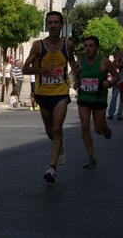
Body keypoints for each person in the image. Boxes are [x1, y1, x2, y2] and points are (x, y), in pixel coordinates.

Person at [22, 11, 81, 183]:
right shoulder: (38, 46)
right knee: (50, 130)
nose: (53, 26)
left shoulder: (67, 44)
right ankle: (59, 144)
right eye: (50, 23)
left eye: (56, 23)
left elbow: (71, 61)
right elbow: (25, 69)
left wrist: (76, 71)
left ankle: (52, 168)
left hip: (61, 92)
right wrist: (42, 70)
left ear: (62, 25)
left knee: (57, 128)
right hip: (43, 93)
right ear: (46, 26)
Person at [73, 36, 120, 168]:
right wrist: (76, 82)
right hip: (83, 98)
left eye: (91, 46)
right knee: (85, 125)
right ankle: (91, 157)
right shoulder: (80, 60)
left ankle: (104, 126)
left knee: (98, 130)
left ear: (97, 47)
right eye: (86, 46)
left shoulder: (104, 62)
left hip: (99, 97)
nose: (88, 48)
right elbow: (76, 75)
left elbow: (117, 76)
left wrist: (110, 83)